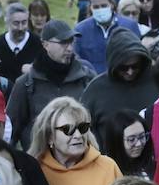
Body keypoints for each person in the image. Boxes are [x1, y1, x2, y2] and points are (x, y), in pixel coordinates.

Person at [7, 20, 96, 149]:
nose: (70, 48)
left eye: (71, 42)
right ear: (45, 44)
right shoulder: (26, 84)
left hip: (81, 161)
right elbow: (11, 130)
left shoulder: (87, 79)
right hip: (39, 162)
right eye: (63, 43)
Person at [82, 30, 157, 140]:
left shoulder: (157, 81)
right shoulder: (96, 90)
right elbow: (83, 129)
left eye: (135, 66)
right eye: (123, 68)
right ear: (113, 65)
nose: (130, 72)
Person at [74, 0, 140, 75]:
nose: (100, 9)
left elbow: (138, 57)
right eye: (96, 7)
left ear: (112, 4)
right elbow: (76, 59)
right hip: (93, 83)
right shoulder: (80, 30)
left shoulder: (129, 26)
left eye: (104, 5)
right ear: (90, 7)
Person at [100, 110, 156, 180]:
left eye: (142, 137)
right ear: (117, 141)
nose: (139, 144)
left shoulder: (152, 166)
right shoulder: (107, 173)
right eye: (132, 139)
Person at [0, 3, 39, 82]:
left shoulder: (38, 44)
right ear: (7, 22)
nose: (20, 28)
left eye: (24, 23)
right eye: (16, 23)